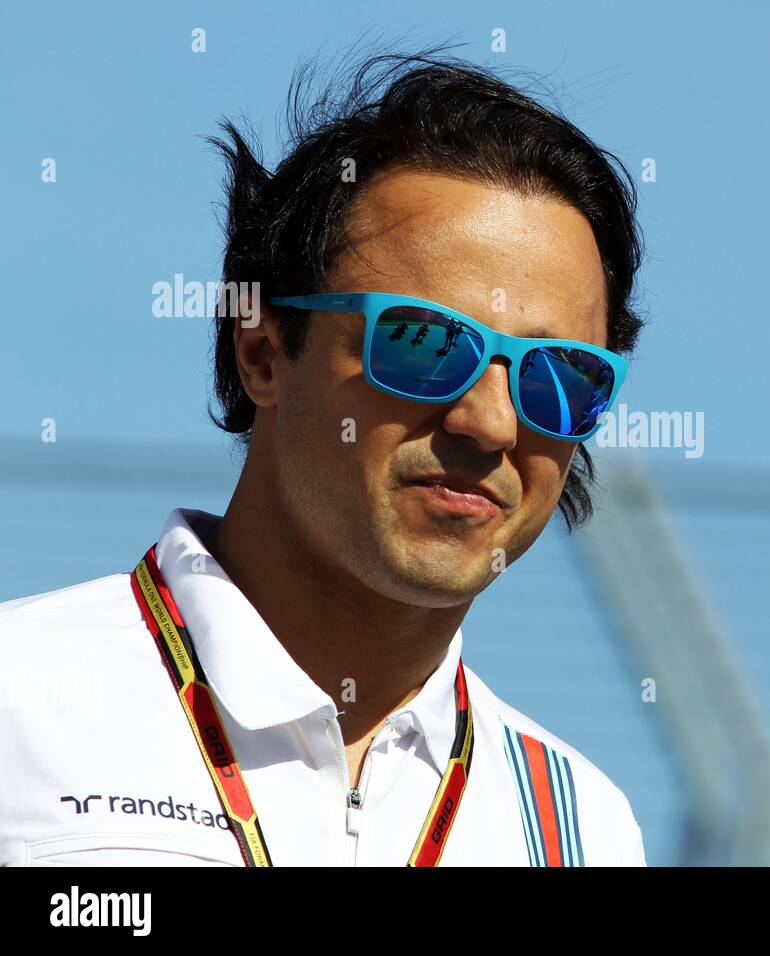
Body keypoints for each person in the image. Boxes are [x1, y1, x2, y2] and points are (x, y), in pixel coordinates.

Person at [0, 46, 647, 867]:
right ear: (264, 353)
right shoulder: (19, 699)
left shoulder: (583, 827)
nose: (489, 422)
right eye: (421, 341)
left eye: (560, 375)